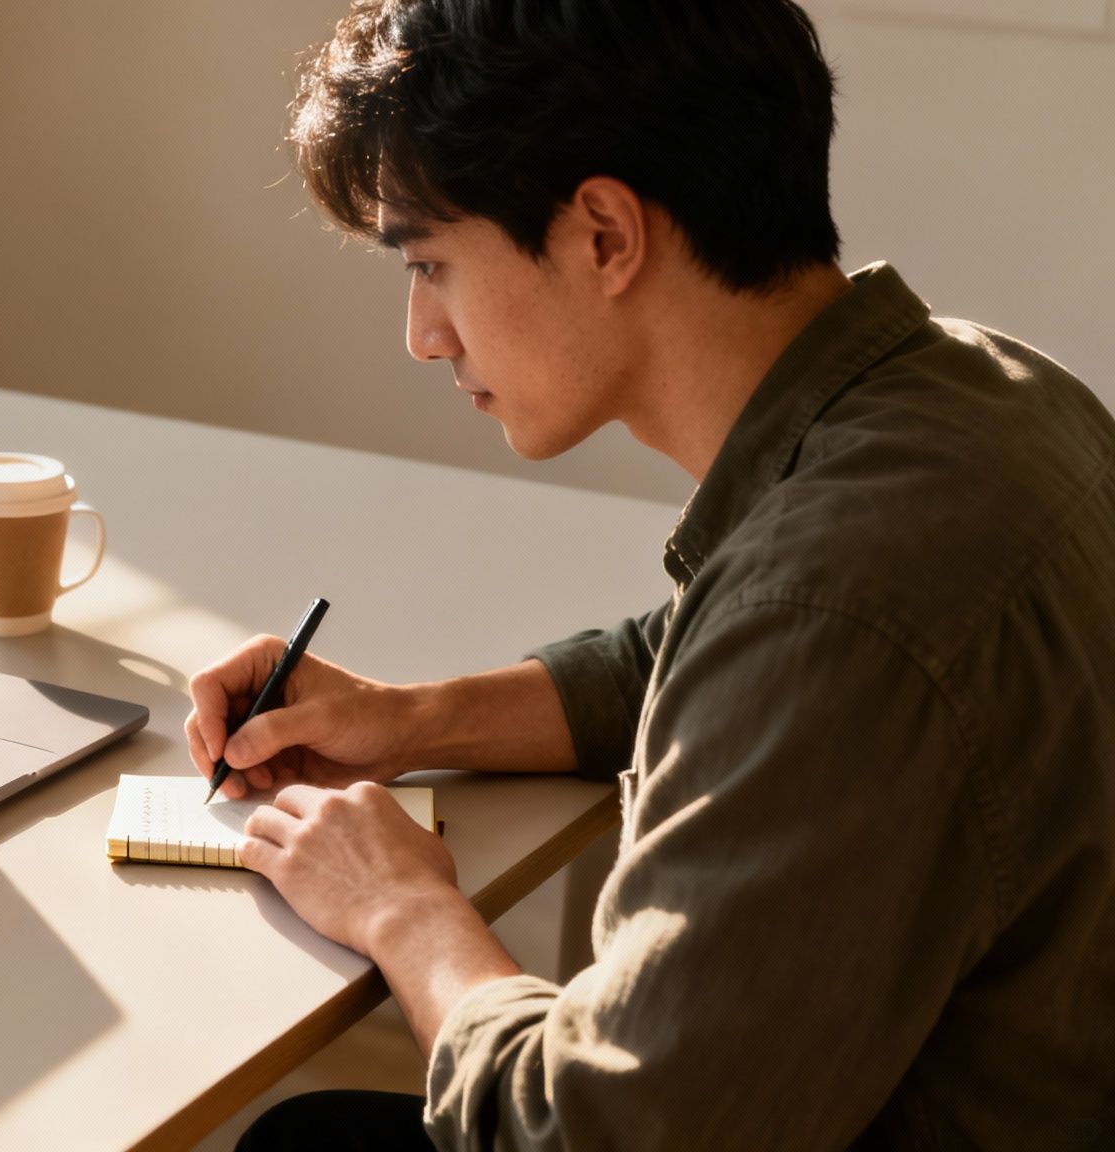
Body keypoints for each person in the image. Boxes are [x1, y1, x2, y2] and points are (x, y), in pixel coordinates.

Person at [183, 2, 1115, 1148]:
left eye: (431, 264)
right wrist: (410, 718)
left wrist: (406, 908)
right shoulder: (983, 393)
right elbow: (704, 658)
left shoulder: (831, 603)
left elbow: (597, 1129)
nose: (422, 334)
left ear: (604, 236)